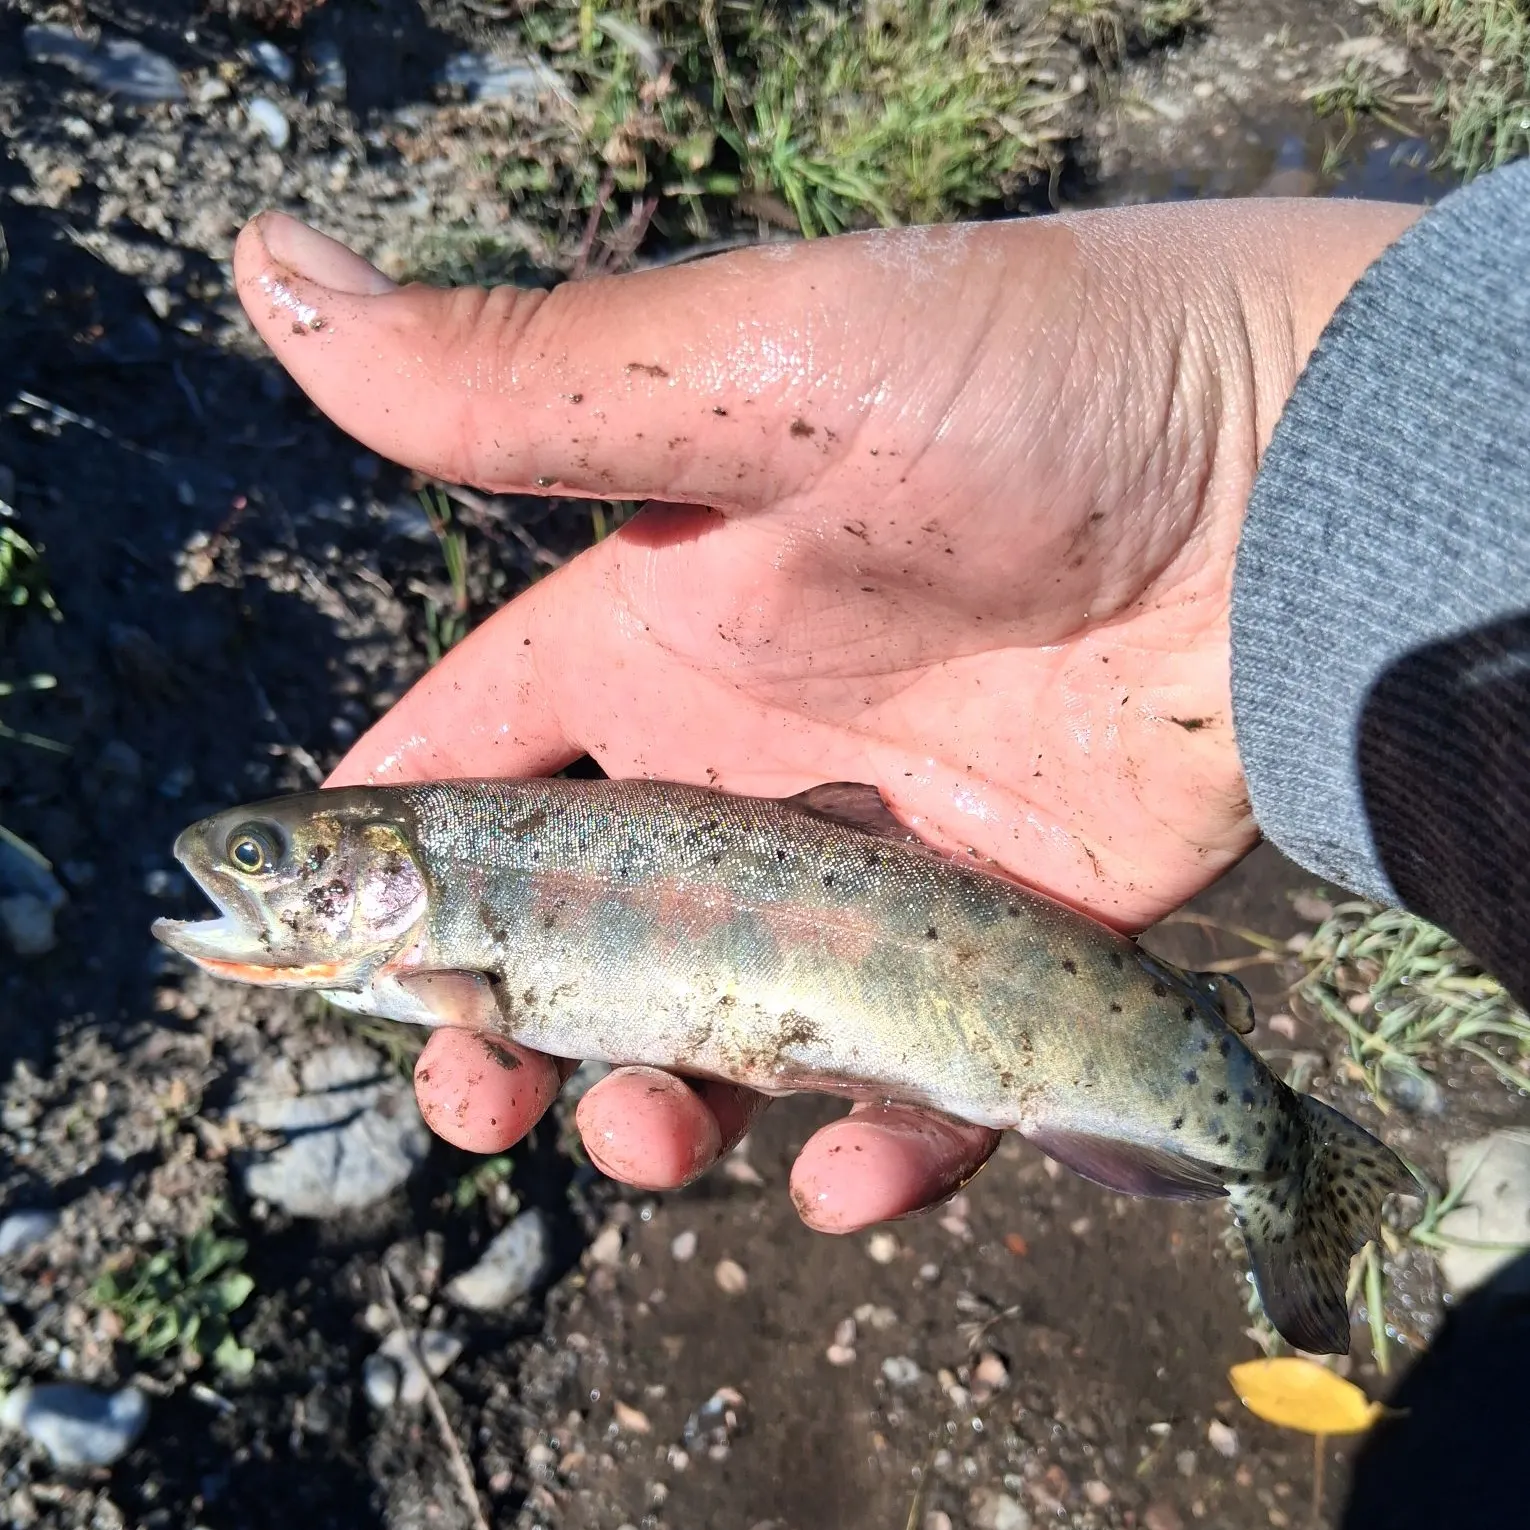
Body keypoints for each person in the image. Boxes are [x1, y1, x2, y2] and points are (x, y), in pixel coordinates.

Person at [230, 160, 1530, 1235]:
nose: (250, 870)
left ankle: (1287, 1166)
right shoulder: (428, 933)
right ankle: (1288, 1167)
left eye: (265, 856)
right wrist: (1272, 407)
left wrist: (1241, 412)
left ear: (386, 869)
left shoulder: (440, 919)